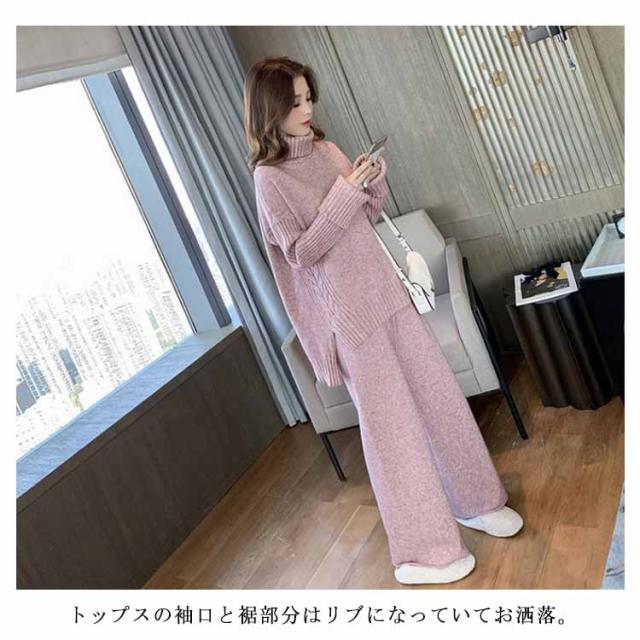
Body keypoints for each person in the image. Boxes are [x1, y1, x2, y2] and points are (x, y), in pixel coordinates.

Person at [243, 56, 523, 586]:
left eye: (309, 97)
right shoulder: (269, 179)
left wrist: (370, 183)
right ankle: (421, 552)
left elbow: (363, 217)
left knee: (441, 400)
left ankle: (475, 501)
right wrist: (346, 192)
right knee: (394, 436)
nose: (307, 109)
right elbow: (302, 253)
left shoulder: (326, 150)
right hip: (349, 322)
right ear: (269, 109)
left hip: (389, 296)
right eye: (295, 101)